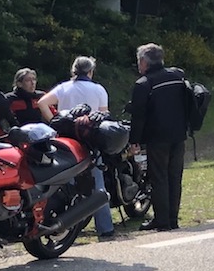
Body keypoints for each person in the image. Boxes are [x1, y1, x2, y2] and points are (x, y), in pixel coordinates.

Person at [44, 56, 116, 241]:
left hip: (66, 142)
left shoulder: (64, 88)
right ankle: (105, 228)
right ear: (90, 72)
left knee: (65, 184)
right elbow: (104, 115)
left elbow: (42, 103)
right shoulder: (98, 89)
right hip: (89, 141)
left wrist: (55, 121)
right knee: (97, 185)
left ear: (73, 70)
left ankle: (66, 226)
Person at [129, 42, 192, 232]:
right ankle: (173, 219)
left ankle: (162, 221)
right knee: (174, 176)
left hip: (157, 137)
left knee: (158, 178)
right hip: (179, 134)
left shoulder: (143, 84)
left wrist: (134, 140)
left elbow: (138, 116)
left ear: (144, 62)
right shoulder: (178, 76)